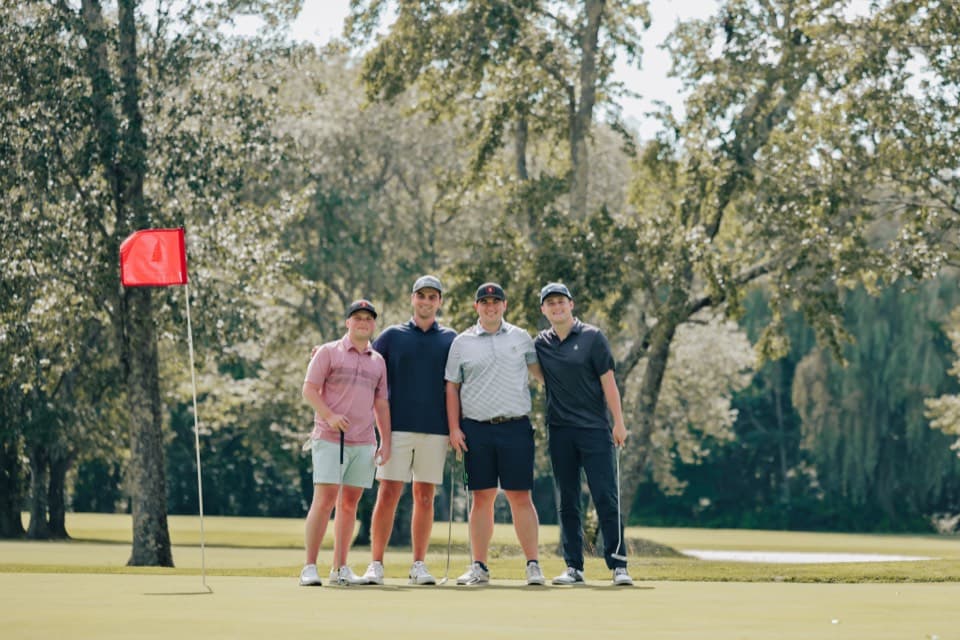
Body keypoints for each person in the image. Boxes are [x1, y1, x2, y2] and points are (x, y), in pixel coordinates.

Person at [359, 275, 457, 586]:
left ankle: (418, 565)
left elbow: (457, 385)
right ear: (413, 299)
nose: (426, 301)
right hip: (396, 429)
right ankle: (376, 564)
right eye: (421, 296)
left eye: (432, 297)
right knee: (388, 493)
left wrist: (456, 428)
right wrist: (326, 350)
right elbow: (364, 359)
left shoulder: (451, 339)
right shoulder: (392, 336)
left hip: (435, 431)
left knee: (425, 497)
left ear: (439, 302)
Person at [445, 282, 545, 586]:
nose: (490, 307)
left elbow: (542, 375)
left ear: (504, 305)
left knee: (520, 496)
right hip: (476, 429)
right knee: (482, 497)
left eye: (496, 301)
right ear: (476, 307)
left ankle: (533, 565)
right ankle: (479, 566)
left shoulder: (521, 337)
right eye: (485, 302)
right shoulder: (461, 342)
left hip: (515, 426)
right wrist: (454, 428)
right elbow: (452, 387)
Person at [534, 282, 633, 586]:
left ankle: (619, 566)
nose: (557, 307)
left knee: (605, 496)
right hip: (560, 431)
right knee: (568, 501)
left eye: (561, 302)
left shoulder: (592, 337)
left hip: (594, 430)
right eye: (551, 303)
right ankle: (574, 567)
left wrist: (619, 422)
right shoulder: (541, 343)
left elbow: (609, 383)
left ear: (571, 304)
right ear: (544, 309)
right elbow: (539, 375)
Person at [299, 299, 392, 587]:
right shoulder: (328, 352)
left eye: (368, 318)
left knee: (350, 504)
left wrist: (385, 440)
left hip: (363, 442)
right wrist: (330, 416)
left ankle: (340, 567)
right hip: (330, 438)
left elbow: (381, 404)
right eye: (357, 317)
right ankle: (309, 567)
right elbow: (309, 389)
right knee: (325, 501)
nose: (363, 322)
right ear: (347, 322)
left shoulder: (378, 361)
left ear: (373, 324)